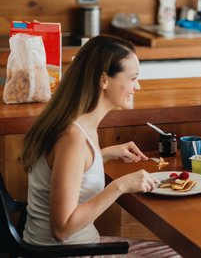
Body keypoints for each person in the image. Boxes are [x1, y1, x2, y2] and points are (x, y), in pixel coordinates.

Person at [21, 35, 180, 257]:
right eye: (133, 78)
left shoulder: (74, 123)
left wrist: (102, 155)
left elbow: (65, 169)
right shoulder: (72, 138)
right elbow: (61, 229)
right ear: (103, 79)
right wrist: (120, 186)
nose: (138, 86)